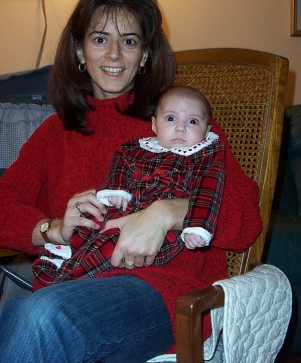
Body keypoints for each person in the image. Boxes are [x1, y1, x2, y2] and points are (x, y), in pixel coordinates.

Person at [0, 0, 262, 363]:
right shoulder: (54, 133)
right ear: (78, 49)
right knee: (23, 317)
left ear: (144, 55)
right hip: (70, 284)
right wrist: (52, 228)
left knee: (44, 316)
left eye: (129, 41)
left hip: (161, 293)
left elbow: (247, 219)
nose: (114, 54)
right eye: (100, 38)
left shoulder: (178, 123)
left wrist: (168, 212)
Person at [32, 85, 225, 288]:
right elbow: (121, 164)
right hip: (122, 209)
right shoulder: (138, 147)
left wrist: (197, 225)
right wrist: (116, 189)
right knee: (92, 220)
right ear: (154, 124)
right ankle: (68, 253)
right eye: (170, 119)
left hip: (157, 239)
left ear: (207, 130)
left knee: (108, 246)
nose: (180, 128)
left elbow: (208, 191)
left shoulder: (206, 154)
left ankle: (66, 278)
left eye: (193, 122)